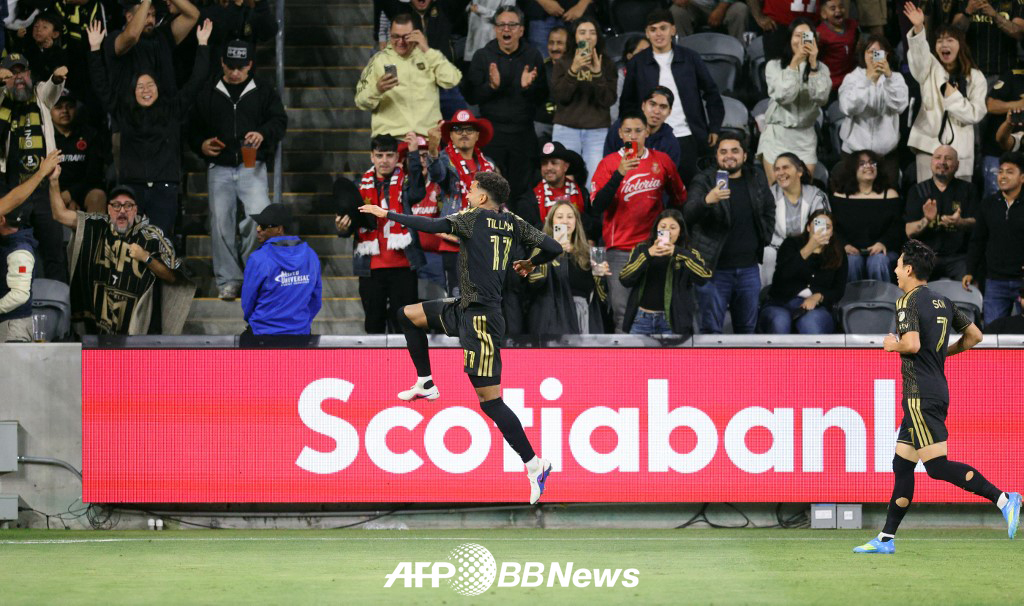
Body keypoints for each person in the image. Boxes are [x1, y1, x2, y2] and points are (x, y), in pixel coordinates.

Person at [358, 171, 563, 504]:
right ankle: (425, 382)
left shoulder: (472, 218)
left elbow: (434, 226)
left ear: (483, 198)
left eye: (472, 189)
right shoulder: (512, 222)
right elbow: (552, 247)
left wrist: (388, 215)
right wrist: (530, 261)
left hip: (481, 319)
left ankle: (534, 464)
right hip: (465, 308)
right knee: (407, 315)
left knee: (491, 402)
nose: (468, 193)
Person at [853, 239, 1021, 555]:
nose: (895, 270)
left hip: (919, 394)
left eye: (899, 264)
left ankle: (1003, 499)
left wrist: (892, 345)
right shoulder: (943, 301)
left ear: (910, 269)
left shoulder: (907, 302)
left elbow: (912, 345)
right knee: (902, 465)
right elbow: (975, 336)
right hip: (936, 389)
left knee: (936, 467)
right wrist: (943, 354)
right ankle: (886, 539)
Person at [88, 19, 212, 238]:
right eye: (140, 86)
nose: (146, 91)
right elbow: (100, 86)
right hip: (131, 189)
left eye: (150, 86)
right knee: (130, 245)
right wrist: (95, 49)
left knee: (160, 244)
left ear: (158, 88)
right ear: (133, 91)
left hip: (164, 188)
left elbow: (197, 80)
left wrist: (202, 44)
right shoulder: (123, 111)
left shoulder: (172, 109)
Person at [189, 39, 288, 301]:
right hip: (219, 165)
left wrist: (262, 134)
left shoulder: (264, 91)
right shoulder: (208, 90)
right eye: (230, 67)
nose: (235, 72)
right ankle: (229, 280)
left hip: (252, 163)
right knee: (221, 222)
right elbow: (191, 126)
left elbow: (280, 121)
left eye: (240, 67)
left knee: (259, 220)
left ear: (250, 65)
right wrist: (201, 144)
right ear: (222, 63)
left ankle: (254, 274)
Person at [47, 176, 192, 336]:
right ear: (108, 209)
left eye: (128, 206)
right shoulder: (96, 225)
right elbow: (59, 214)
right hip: (95, 329)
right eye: (116, 206)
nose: (122, 210)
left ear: (136, 210)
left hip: (137, 329)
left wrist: (146, 258)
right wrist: (54, 181)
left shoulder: (151, 236)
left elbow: (173, 277)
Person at [590, 112, 687, 331]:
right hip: (620, 250)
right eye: (628, 131)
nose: (633, 135)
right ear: (620, 134)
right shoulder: (609, 163)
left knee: (659, 312)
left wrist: (669, 231)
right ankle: (626, 365)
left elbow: (680, 198)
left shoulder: (662, 161)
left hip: (654, 248)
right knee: (622, 314)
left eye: (638, 130)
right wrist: (620, 173)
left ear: (647, 132)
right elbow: (597, 206)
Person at [619, 9, 724, 185]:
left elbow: (712, 93)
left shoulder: (691, 58)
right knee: (650, 192)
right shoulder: (637, 62)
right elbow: (627, 103)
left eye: (663, 28)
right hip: (649, 139)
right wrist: (632, 137)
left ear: (673, 30)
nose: (658, 33)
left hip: (687, 136)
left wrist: (714, 127)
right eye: (653, 29)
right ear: (647, 33)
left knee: (689, 192)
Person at [686, 135, 775, 334]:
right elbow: (688, 213)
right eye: (723, 152)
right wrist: (707, 200)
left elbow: (769, 208)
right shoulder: (704, 179)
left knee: (747, 331)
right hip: (714, 271)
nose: (729, 156)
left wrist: (765, 237)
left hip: (749, 270)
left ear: (744, 155)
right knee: (711, 331)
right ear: (716, 156)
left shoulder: (756, 177)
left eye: (735, 151)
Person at [339, 134, 426, 334]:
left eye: (389, 155)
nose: (384, 160)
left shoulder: (405, 183)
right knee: (373, 323)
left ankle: (405, 365)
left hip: (403, 266)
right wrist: (342, 228)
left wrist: (413, 154)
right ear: (372, 157)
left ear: (397, 157)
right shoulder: (359, 185)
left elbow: (418, 192)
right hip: (371, 268)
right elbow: (350, 222)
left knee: (405, 326)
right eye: (379, 155)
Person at [465, 6, 548, 200]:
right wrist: (491, 86)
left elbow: (544, 98)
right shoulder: (483, 56)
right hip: (492, 136)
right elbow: (471, 97)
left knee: (522, 193)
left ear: (521, 29)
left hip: (523, 135)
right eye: (501, 25)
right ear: (495, 29)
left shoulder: (533, 56)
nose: (506, 29)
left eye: (512, 25)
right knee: (492, 194)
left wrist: (529, 88)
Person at [0, 53, 68, 283]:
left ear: (29, 73)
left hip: (45, 188)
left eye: (22, 72)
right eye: (13, 73)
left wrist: (57, 79)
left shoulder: (39, 94)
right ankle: (18, 304)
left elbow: (52, 89)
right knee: (15, 251)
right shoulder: (2, 101)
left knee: (54, 253)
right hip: (14, 189)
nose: (19, 78)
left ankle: (60, 312)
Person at [904, 2, 987, 182]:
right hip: (928, 147)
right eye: (940, 41)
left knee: (959, 205)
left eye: (950, 40)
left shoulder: (975, 76)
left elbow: (975, 113)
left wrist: (951, 95)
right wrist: (919, 28)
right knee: (928, 201)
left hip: (960, 152)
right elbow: (919, 59)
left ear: (961, 45)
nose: (944, 44)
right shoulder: (929, 68)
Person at [425, 109, 497, 295]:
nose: (464, 133)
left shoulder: (488, 164)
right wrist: (432, 151)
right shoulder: (443, 159)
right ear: (450, 135)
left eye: (469, 129)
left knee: (485, 297)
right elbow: (437, 175)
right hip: (454, 242)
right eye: (458, 129)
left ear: (477, 135)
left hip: (483, 241)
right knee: (458, 298)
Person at [355, 13, 462, 138]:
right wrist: (377, 90)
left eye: (406, 37)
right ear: (389, 34)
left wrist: (426, 49)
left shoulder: (429, 57)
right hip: (392, 142)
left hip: (427, 140)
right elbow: (360, 101)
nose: (401, 42)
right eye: (396, 36)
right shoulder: (378, 60)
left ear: (416, 35)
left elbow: (452, 80)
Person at [757, 18, 830, 185]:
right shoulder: (774, 66)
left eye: (806, 36)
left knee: (803, 189)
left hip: (804, 137)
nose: (801, 40)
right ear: (789, 39)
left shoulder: (822, 68)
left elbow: (821, 98)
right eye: (797, 36)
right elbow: (784, 96)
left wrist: (812, 65)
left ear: (815, 41)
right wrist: (795, 62)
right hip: (777, 136)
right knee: (777, 191)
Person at [620, 208, 711, 337]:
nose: (667, 231)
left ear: (680, 232)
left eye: (673, 227)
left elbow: (703, 277)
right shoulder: (642, 249)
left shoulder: (689, 253)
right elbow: (624, 278)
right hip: (642, 319)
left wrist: (677, 252)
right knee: (637, 357)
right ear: (656, 230)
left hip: (673, 321)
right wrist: (648, 254)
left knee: (671, 358)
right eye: (663, 226)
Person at [526, 199, 608, 334]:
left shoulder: (589, 252)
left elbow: (603, 297)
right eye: (560, 217)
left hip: (584, 318)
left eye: (570, 217)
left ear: (576, 221)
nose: (565, 221)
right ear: (552, 222)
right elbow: (534, 282)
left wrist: (600, 275)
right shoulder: (540, 250)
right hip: (553, 319)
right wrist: (550, 254)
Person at [550, 17, 616, 182]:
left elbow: (608, 100)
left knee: (595, 181)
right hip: (566, 128)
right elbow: (560, 97)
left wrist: (597, 74)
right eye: (582, 32)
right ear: (575, 37)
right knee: (562, 181)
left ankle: (591, 209)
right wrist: (573, 70)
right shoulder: (563, 62)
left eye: (592, 33)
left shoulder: (607, 64)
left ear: (598, 37)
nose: (587, 37)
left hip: (597, 130)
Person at [760, 210, 846, 334]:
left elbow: (838, 290)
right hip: (781, 303)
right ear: (808, 227)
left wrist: (818, 296)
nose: (822, 230)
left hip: (816, 307)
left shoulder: (838, 252)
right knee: (780, 321)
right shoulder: (791, 244)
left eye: (827, 227)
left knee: (810, 322)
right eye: (817, 225)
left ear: (832, 232)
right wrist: (809, 248)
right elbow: (782, 276)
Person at [240, 203, 321, 335]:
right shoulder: (311, 255)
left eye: (265, 226)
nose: (258, 229)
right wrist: (299, 324)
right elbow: (316, 300)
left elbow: (248, 302)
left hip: (263, 335)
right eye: (259, 225)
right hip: (300, 334)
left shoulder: (258, 258)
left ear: (279, 229)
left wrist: (261, 324)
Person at [837, 34, 910, 176]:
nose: (873, 56)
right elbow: (848, 107)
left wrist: (889, 78)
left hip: (886, 155)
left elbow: (900, 106)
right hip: (854, 153)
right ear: (863, 54)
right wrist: (868, 80)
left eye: (878, 52)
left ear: (886, 55)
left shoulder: (895, 78)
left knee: (887, 196)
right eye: (869, 52)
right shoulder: (852, 78)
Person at [965, 152, 1024, 325]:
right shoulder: (987, 204)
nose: (1003, 176)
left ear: (1022, 178)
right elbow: (978, 240)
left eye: (1010, 172)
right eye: (1000, 171)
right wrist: (970, 271)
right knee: (993, 332)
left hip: (1022, 280)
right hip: (995, 281)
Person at [830, 150, 904, 283]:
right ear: (852, 169)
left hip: (882, 250)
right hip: (850, 250)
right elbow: (834, 228)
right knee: (851, 262)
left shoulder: (890, 194)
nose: (868, 166)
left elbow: (897, 227)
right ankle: (850, 303)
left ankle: (883, 302)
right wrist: (844, 245)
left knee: (878, 261)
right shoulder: (839, 196)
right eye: (862, 163)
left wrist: (882, 243)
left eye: (872, 163)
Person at [904, 146, 977, 281]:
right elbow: (909, 232)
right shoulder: (917, 190)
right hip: (925, 256)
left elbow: (977, 224)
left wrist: (960, 222)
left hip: (959, 257)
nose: (942, 162)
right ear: (931, 162)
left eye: (948, 159)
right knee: (913, 286)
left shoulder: (968, 189)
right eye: (938, 158)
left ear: (957, 165)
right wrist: (926, 219)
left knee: (969, 281)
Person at [104, 0, 200, 98]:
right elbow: (132, 35)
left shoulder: (163, 36)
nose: (151, 20)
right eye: (146, 15)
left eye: (153, 15)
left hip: (167, 109)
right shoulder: (114, 39)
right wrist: (147, 1)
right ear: (129, 17)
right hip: (133, 111)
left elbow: (193, 15)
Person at [763, 152, 829, 286]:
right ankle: (767, 297)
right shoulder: (768, 195)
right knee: (767, 253)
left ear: (799, 172)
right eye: (777, 169)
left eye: (785, 167)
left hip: (808, 247)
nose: (780, 172)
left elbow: (821, 231)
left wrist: (807, 249)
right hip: (777, 248)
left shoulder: (816, 196)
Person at [51, 89, 107, 214]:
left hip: (83, 191)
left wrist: (72, 195)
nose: (65, 111)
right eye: (58, 107)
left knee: (98, 196)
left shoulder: (90, 134)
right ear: (49, 110)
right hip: (53, 192)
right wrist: (63, 197)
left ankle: (94, 234)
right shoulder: (44, 137)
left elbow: (94, 175)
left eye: (69, 107)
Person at [515, 141, 589, 229]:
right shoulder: (529, 200)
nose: (549, 168)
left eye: (554, 163)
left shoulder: (582, 194)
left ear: (565, 167)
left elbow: (594, 225)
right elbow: (524, 231)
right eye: (545, 163)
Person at [604, 86, 681, 169]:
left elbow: (669, 178)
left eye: (663, 107)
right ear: (643, 105)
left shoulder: (670, 143)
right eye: (652, 104)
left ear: (669, 112)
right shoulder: (622, 126)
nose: (656, 111)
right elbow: (607, 165)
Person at [951, 0, 1024, 77]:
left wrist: (995, 15)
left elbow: (1019, 34)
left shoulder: (1014, 3)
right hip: (971, 71)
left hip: (1003, 72)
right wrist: (968, 12)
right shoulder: (964, 2)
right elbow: (954, 33)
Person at [982, 66, 1024, 196]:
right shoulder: (1013, 76)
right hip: (998, 154)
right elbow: (989, 105)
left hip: (1019, 154)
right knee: (995, 199)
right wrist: (1018, 105)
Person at [0, 204, 36, 342]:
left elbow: (20, 294)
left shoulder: (20, 252)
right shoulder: (8, 243)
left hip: (13, 328)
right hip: (7, 324)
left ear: (2, 219)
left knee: (9, 364)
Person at [815, 0, 858, 96]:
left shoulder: (853, 25)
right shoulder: (819, 33)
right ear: (823, 13)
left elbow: (865, 46)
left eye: (841, 7)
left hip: (852, 78)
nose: (838, 10)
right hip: (831, 82)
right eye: (833, 8)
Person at [670, 0, 750, 43]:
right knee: (677, 11)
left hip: (725, 4)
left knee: (740, 10)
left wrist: (721, 8)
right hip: (693, 5)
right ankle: (683, 54)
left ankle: (738, 55)